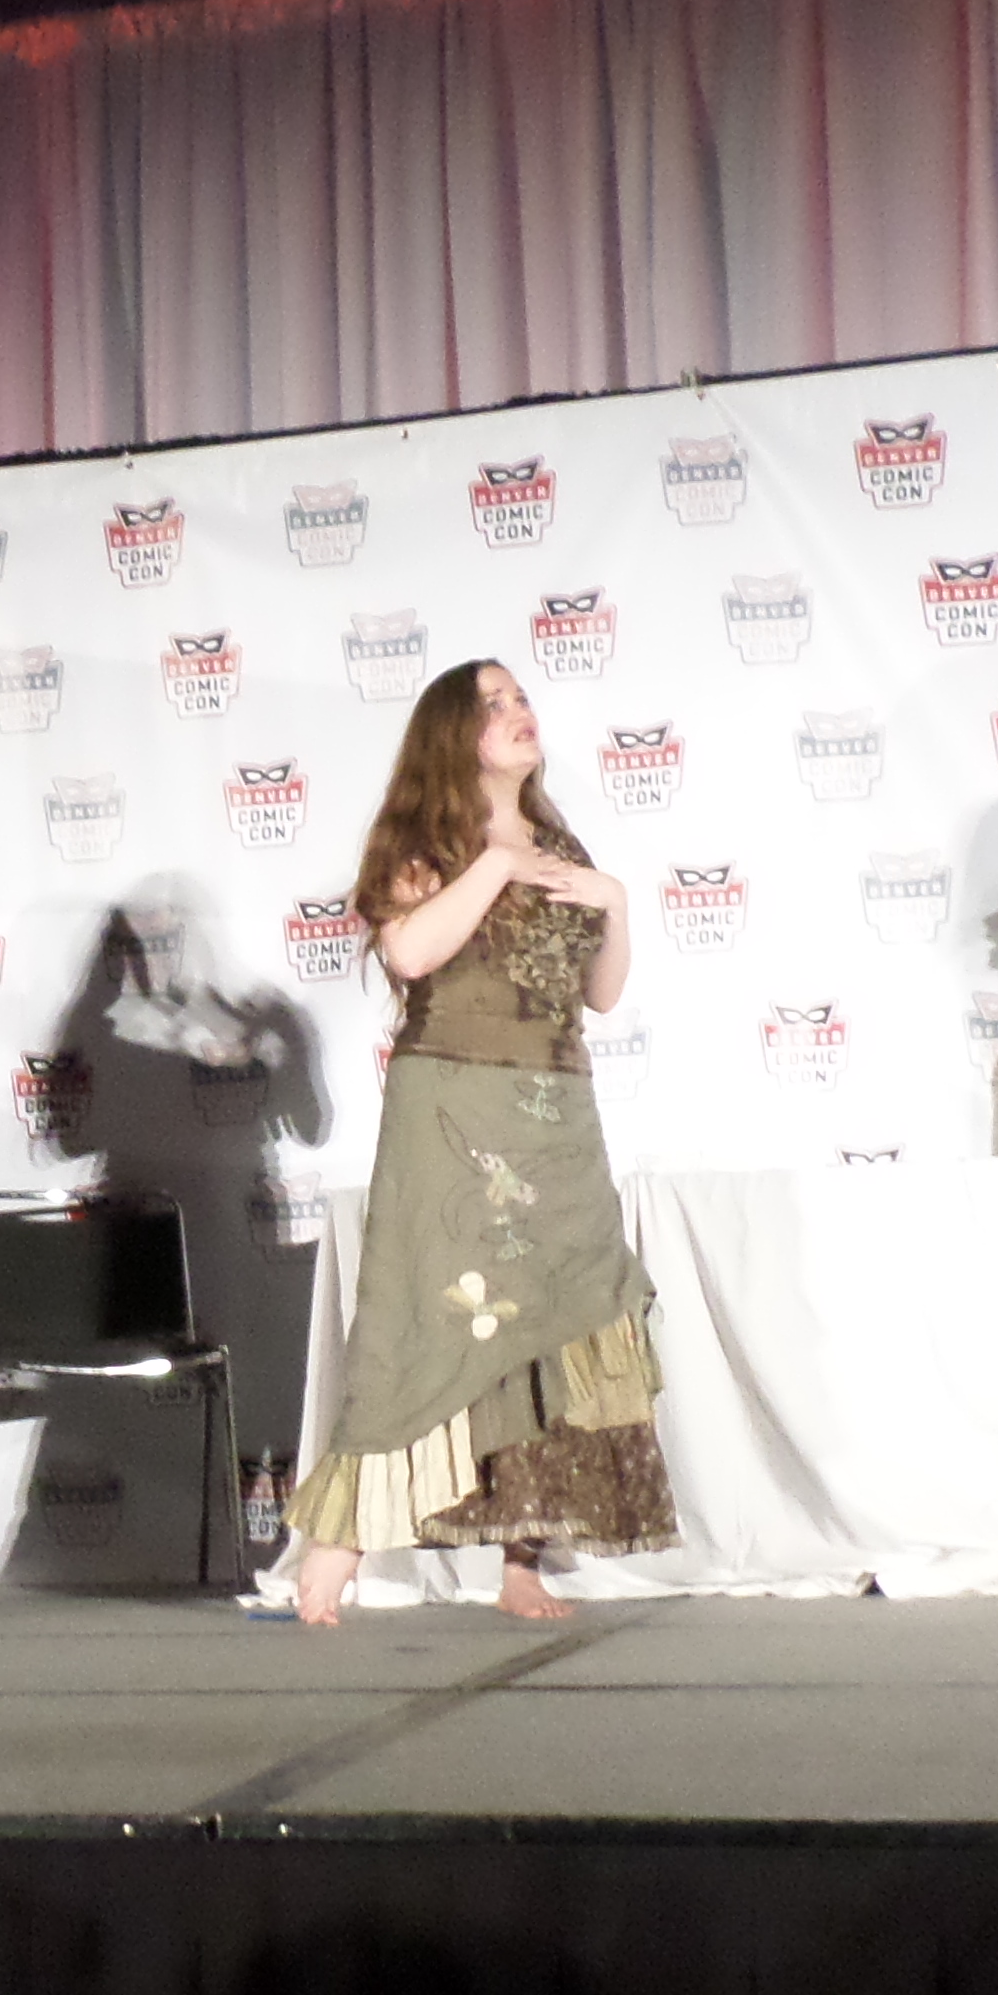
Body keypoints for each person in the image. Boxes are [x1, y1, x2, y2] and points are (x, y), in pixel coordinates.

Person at [282, 659, 678, 1624]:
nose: (517, 713)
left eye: (521, 698)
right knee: (426, 1317)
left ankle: (523, 1560)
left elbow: (600, 994)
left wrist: (616, 902)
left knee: (555, 1320)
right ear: (454, 737)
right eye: (492, 705)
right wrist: (495, 866)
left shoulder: (559, 840)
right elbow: (412, 951)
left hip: (558, 1111)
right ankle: (339, 1538)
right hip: (455, 1110)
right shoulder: (428, 841)